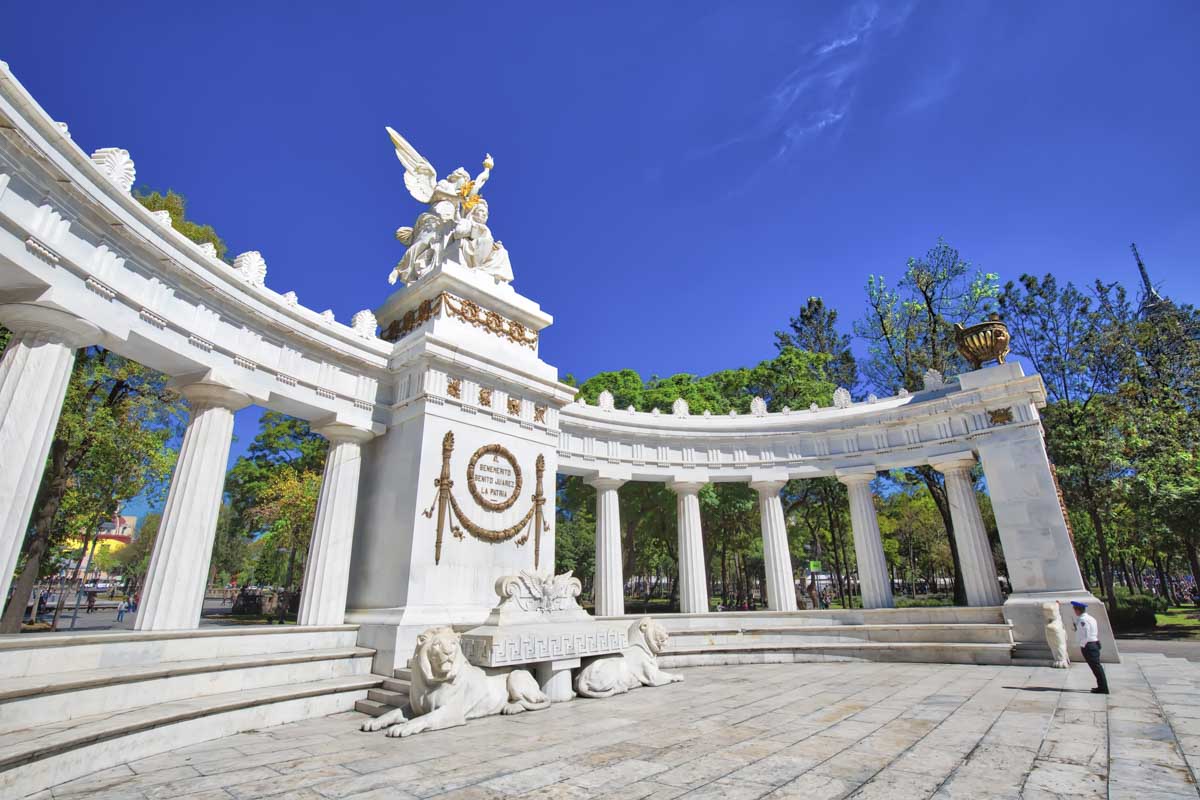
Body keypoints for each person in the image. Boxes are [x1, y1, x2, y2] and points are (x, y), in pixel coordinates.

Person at [1071, 600, 1108, 694]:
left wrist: (1082, 645)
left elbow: (1086, 635)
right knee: (1096, 667)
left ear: (1078, 610)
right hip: (1094, 643)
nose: (1074, 611)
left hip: (1089, 646)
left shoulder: (1083, 620)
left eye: (1074, 609)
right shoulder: (1090, 618)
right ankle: (1101, 686)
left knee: (1096, 667)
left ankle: (1103, 688)